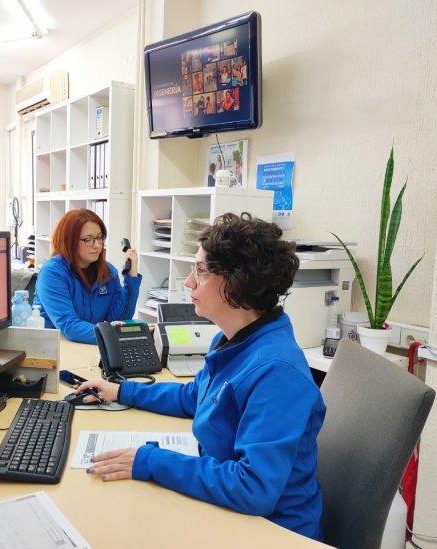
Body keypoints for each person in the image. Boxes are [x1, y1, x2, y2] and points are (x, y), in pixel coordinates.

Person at [75, 213, 326, 541]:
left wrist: (151, 461)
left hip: (273, 533)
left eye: (201, 271)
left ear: (236, 282)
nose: (190, 282)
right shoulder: (232, 338)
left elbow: (254, 489)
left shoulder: (277, 372)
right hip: (230, 513)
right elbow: (195, 396)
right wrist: (122, 391)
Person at [34, 209, 141, 344]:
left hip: (91, 344)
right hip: (55, 347)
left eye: (99, 237)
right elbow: (69, 326)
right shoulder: (52, 273)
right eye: (88, 240)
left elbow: (120, 318)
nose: (97, 245)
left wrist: (131, 278)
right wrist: (116, 335)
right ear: (69, 241)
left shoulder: (108, 272)